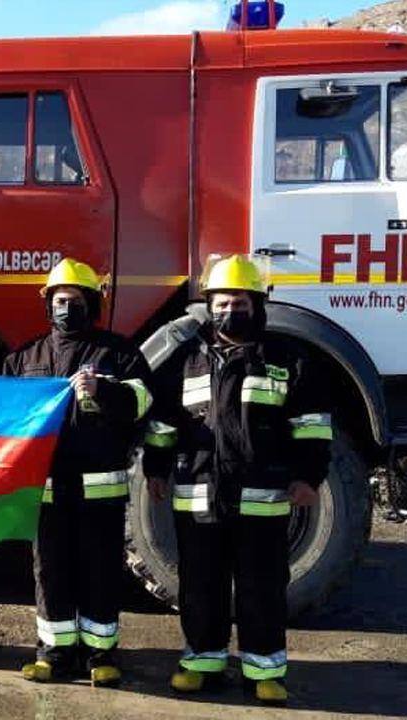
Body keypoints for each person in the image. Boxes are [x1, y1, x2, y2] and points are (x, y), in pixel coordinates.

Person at [142, 255, 332, 706]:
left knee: (261, 585)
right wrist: (155, 468)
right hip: (199, 491)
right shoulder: (185, 361)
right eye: (223, 302)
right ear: (209, 305)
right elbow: (164, 422)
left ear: (257, 303)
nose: (231, 310)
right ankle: (201, 661)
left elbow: (312, 424)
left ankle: (264, 668)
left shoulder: (286, 359)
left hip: (261, 495)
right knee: (199, 583)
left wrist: (309, 476)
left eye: (240, 301)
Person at [3, 258, 153, 687]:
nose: (67, 307)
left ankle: (101, 655)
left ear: (92, 303)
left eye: (76, 300)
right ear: (48, 306)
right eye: (60, 300)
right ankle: (53, 654)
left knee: (100, 572)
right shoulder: (25, 357)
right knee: (50, 572)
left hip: (99, 493)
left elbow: (143, 404)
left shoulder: (119, 354)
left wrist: (103, 389)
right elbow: (5, 422)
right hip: (46, 492)